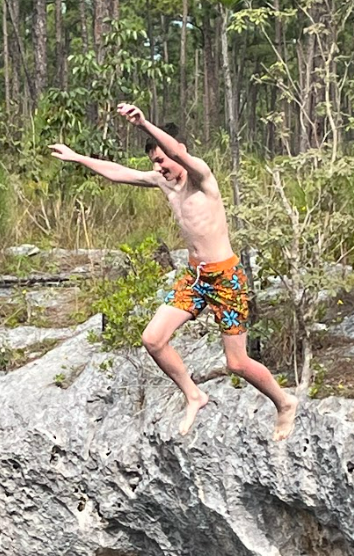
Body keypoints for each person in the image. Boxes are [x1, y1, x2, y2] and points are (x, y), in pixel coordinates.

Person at [50, 103, 298, 440]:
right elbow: (117, 171)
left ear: (178, 155)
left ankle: (283, 403)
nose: (159, 167)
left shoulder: (202, 179)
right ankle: (194, 394)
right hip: (195, 279)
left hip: (226, 278)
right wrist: (78, 157)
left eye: (163, 160)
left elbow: (178, 151)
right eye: (154, 161)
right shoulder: (162, 183)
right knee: (152, 339)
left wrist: (143, 124)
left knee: (236, 364)